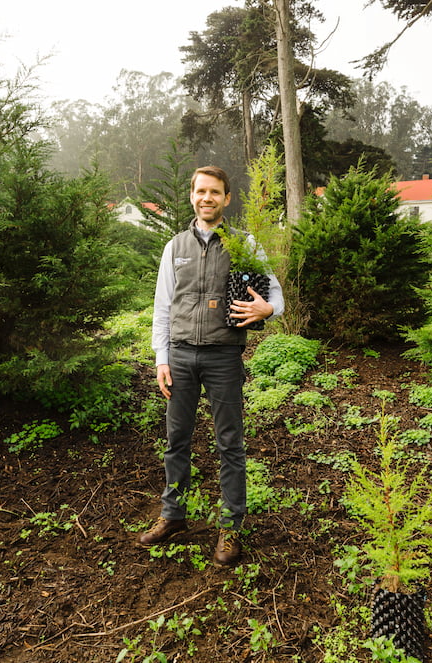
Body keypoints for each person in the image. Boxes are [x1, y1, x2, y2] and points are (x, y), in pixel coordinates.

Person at [139, 165, 284, 567]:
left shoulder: (243, 245)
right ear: (192, 196)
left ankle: (231, 526)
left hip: (223, 357)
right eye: (201, 191)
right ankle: (173, 515)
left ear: (226, 199)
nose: (207, 198)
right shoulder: (176, 246)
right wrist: (162, 358)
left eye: (215, 192)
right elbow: (162, 308)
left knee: (229, 445)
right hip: (182, 356)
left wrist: (267, 309)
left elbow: (276, 296)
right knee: (176, 442)